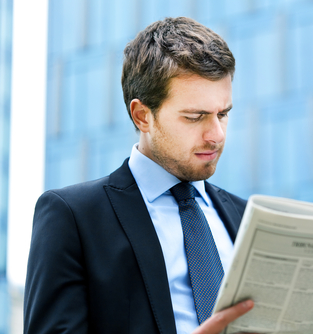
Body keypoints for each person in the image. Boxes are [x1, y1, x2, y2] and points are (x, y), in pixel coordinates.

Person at [24, 17, 254, 334]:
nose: (216, 134)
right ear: (142, 115)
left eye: (223, 114)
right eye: (194, 117)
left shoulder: (247, 218)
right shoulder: (73, 217)